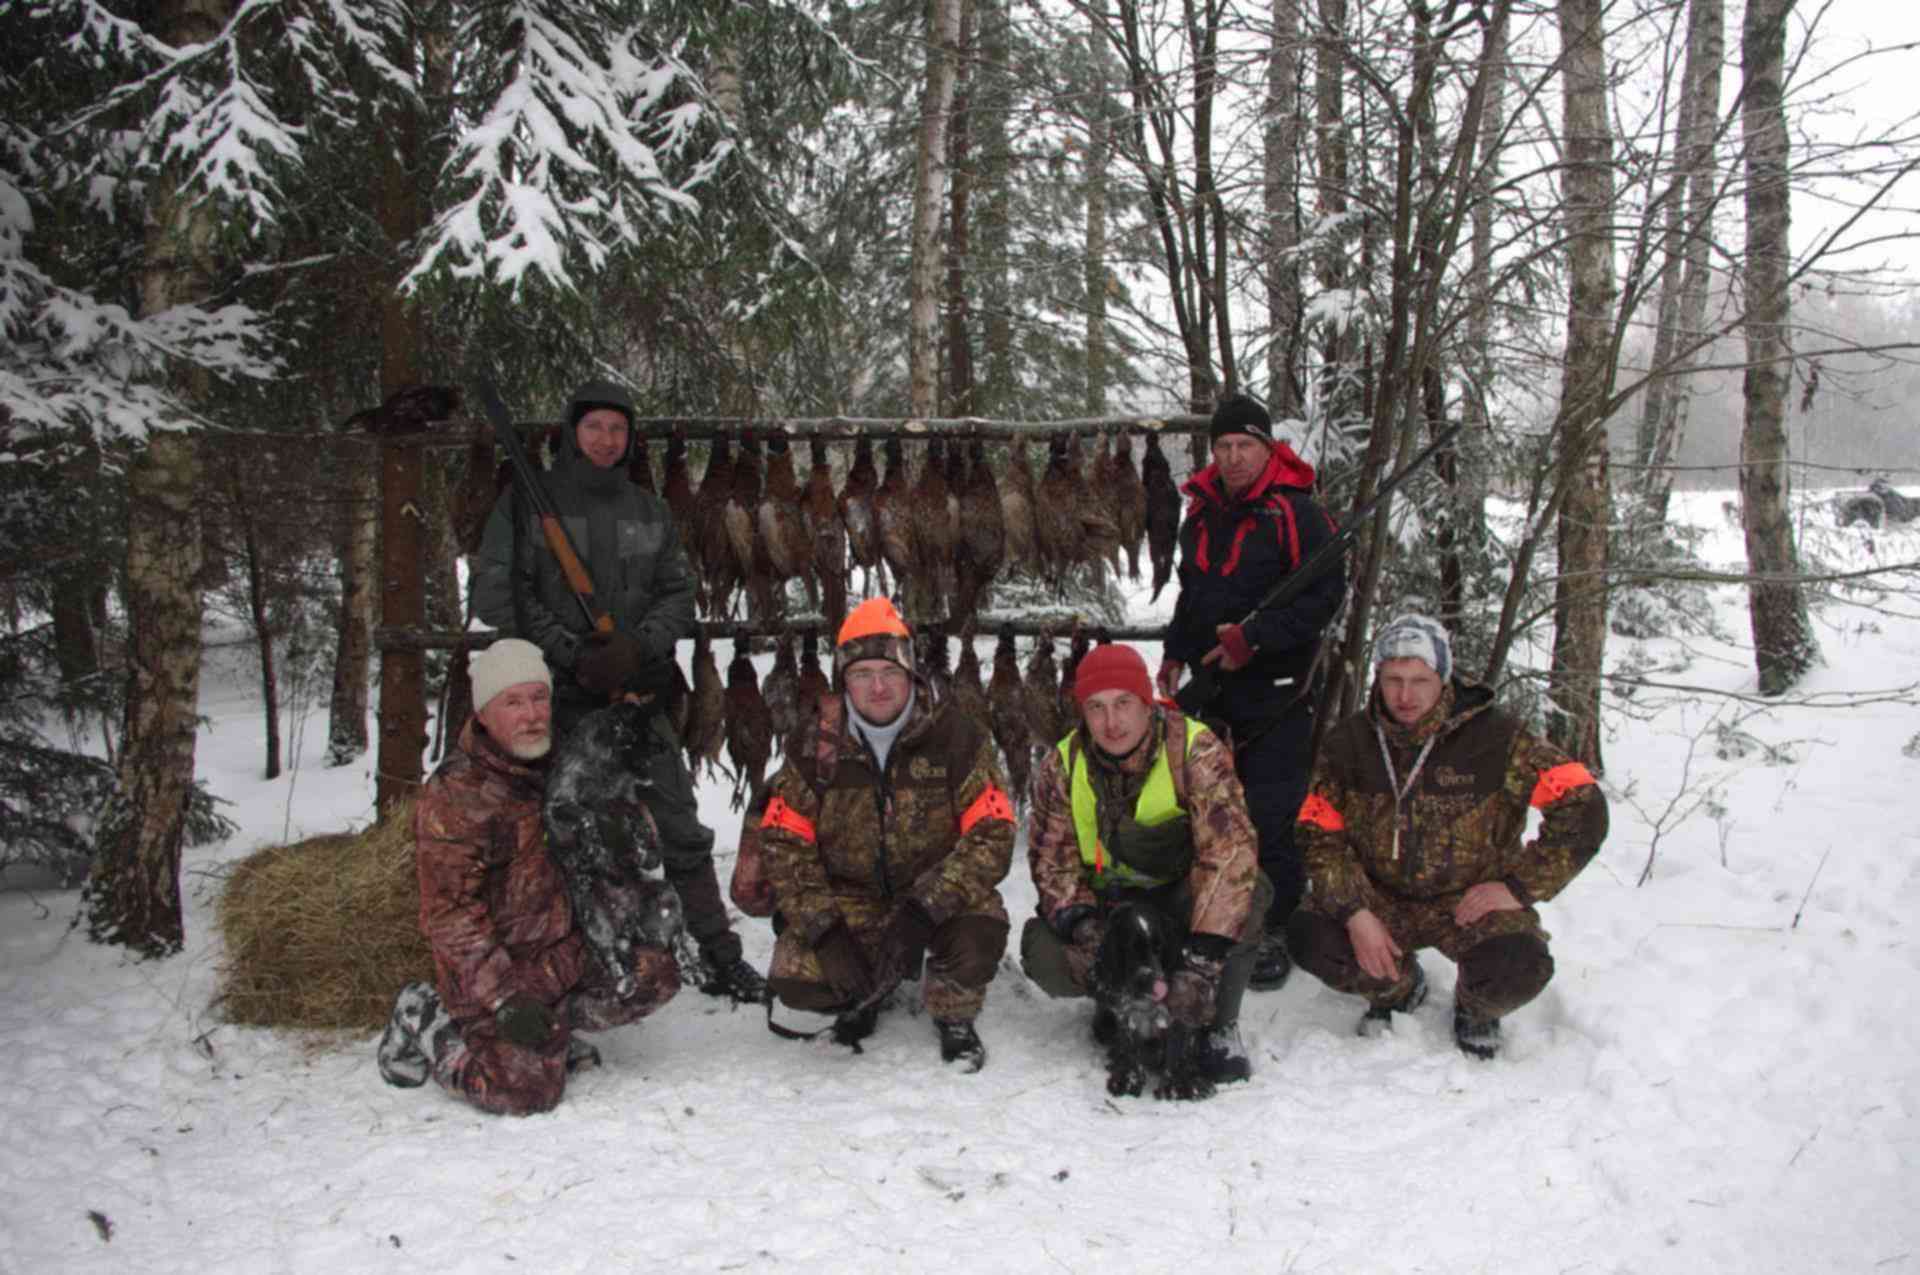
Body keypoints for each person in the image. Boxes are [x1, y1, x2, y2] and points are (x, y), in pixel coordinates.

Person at [469, 380, 765, 1004]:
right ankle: (567, 960)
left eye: (617, 430)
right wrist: (573, 654)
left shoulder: (647, 511)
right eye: (594, 427)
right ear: (572, 432)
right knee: (554, 832)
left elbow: (678, 593)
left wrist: (639, 648)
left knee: (680, 826)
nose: (606, 440)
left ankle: (718, 953)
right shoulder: (526, 504)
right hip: (556, 700)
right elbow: (498, 598)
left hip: (636, 693)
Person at [377, 639, 680, 1115]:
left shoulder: (569, 765)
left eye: (539, 698)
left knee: (653, 976)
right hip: (500, 970)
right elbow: (449, 915)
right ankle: (424, 1014)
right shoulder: (457, 797)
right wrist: (503, 999)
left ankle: (550, 1039)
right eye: (513, 702)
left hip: (565, 952)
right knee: (524, 1093)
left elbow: (628, 845)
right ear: (484, 713)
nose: (532, 714)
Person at [1286, 615, 1608, 1059]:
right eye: (1393, 679)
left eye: (1420, 680)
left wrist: (1517, 887)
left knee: (1518, 967)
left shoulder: (1497, 738)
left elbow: (1582, 805)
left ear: (1444, 676)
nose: (1405, 695)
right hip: (1379, 897)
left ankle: (1476, 1007)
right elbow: (1318, 834)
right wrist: (1355, 910)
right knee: (1311, 937)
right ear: (1377, 677)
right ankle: (1397, 989)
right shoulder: (1349, 743)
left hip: (1468, 902)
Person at [756, 597, 1015, 1071]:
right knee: (797, 978)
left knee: (978, 938)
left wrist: (923, 910)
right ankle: (864, 990)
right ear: (844, 680)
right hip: (850, 894)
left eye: (889, 672)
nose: (877, 687)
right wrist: (826, 932)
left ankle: (952, 1013)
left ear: (911, 674)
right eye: (861, 673)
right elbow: (782, 843)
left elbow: (993, 833)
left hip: (934, 891)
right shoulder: (813, 745)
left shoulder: (957, 737)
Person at [1157, 393, 1344, 992]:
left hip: (1280, 688)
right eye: (1224, 446)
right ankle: (1207, 912)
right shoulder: (1203, 513)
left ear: (1267, 448)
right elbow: (1194, 594)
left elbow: (1322, 599)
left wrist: (1255, 640)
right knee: (1204, 807)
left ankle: (1271, 927)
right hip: (1213, 686)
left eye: (1245, 445)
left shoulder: (1298, 514)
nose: (1234, 457)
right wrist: (1175, 651)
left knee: (1269, 812)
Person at [1021, 643, 1269, 1085]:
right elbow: (1050, 860)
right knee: (1044, 952)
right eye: (1096, 707)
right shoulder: (1062, 764)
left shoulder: (1194, 749)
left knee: (1251, 895)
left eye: (1123, 704)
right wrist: (1087, 929)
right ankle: (1123, 1005)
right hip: (1110, 907)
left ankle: (1216, 1022)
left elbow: (1230, 855)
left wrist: (1202, 962)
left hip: (1181, 903)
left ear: (1146, 702)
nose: (1111, 722)